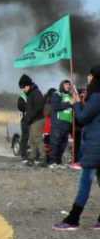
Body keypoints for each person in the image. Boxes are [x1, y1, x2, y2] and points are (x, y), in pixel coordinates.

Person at [55, 68, 100, 230]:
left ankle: (73, 219)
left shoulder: (96, 97)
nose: (87, 78)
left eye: (90, 75)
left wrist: (75, 104)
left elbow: (82, 117)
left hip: (95, 146)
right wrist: (80, 102)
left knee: (85, 182)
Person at [18, 74, 46, 166]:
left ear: (27, 85)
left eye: (23, 87)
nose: (22, 90)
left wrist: (30, 117)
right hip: (33, 120)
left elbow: (38, 107)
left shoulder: (36, 93)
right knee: (32, 139)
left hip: (38, 119)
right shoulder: (30, 93)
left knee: (37, 139)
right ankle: (32, 158)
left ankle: (43, 159)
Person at [49, 80, 74, 168]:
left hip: (67, 123)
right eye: (66, 84)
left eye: (69, 84)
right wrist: (68, 103)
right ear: (62, 85)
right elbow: (56, 106)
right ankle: (52, 162)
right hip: (58, 123)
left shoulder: (70, 96)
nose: (68, 86)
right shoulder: (57, 94)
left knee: (63, 143)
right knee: (55, 142)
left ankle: (58, 162)